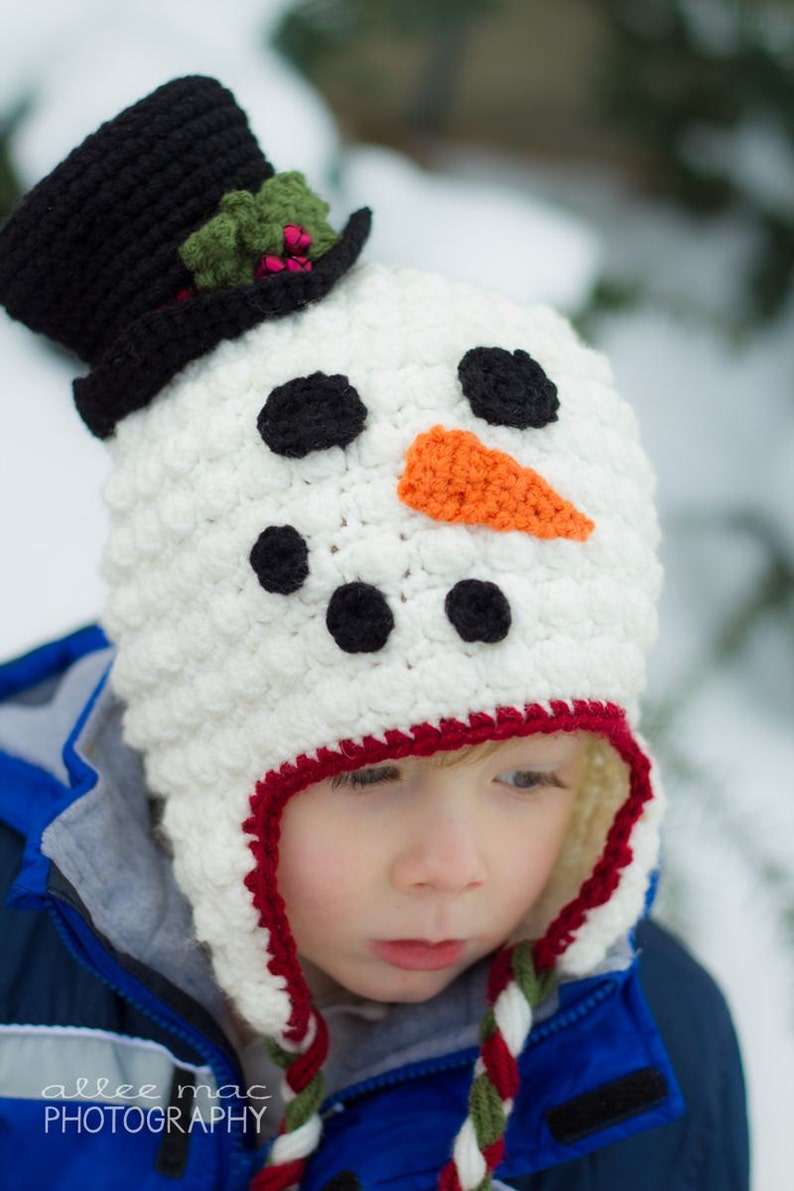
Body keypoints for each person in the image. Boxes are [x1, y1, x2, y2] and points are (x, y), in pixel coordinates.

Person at [0, 76, 749, 1191]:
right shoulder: (28, 964)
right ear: (208, 751)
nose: (450, 870)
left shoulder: (643, 1059)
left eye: (530, 779)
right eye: (374, 772)